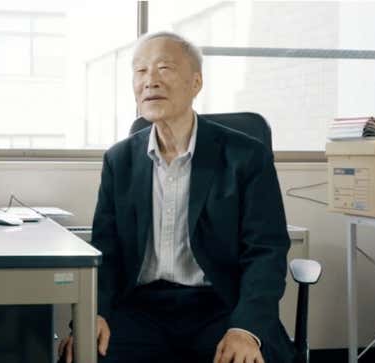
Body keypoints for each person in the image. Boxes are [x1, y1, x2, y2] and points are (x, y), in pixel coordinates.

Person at [59, 31, 295, 363]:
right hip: (139, 308)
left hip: (220, 305)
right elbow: (106, 251)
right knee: (83, 355)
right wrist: (94, 314)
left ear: (196, 82)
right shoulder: (119, 160)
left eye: (164, 68)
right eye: (140, 71)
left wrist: (246, 328)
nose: (150, 80)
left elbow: (266, 252)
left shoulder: (246, 156)